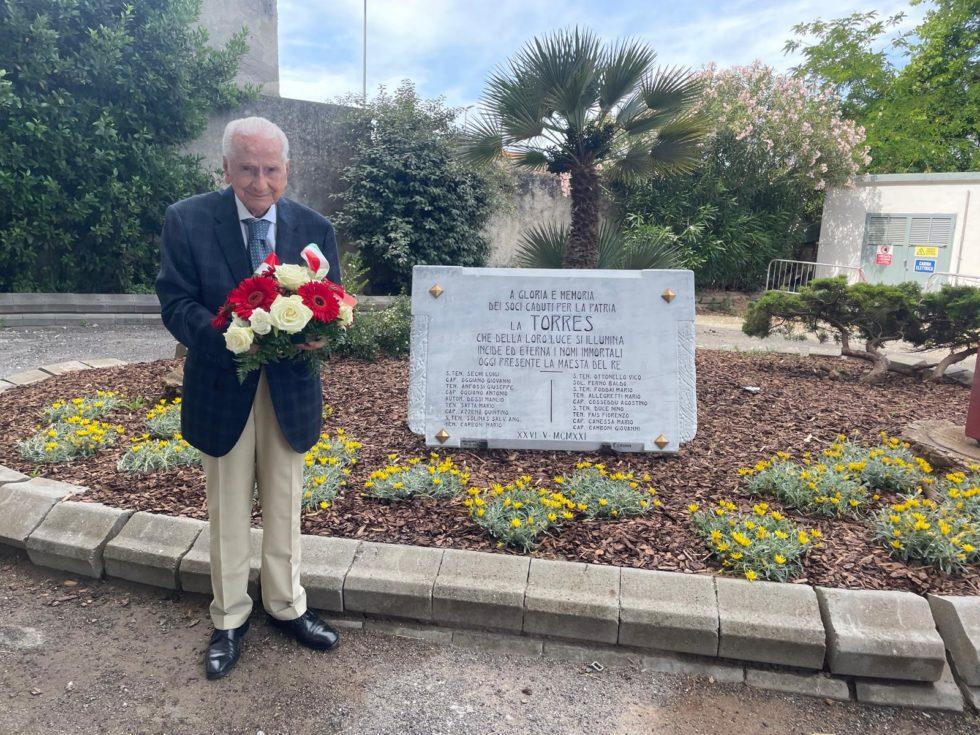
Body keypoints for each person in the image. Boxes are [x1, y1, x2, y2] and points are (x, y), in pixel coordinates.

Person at [155, 116, 343, 679]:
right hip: (222, 382)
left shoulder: (315, 228)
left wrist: (320, 330)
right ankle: (230, 616)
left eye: (271, 169)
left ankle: (287, 606)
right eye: (247, 169)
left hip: (290, 387)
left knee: (286, 502)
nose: (260, 182)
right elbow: (175, 302)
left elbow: (332, 303)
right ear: (226, 168)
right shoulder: (187, 220)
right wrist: (234, 333)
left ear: (287, 169)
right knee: (229, 506)